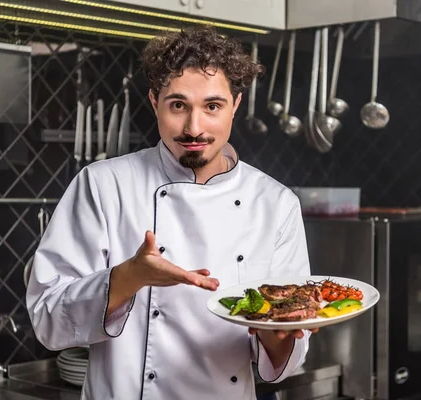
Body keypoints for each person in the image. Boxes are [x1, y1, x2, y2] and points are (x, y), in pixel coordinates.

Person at [26, 25, 314, 400]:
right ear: (153, 102)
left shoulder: (275, 203)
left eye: (212, 106)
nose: (194, 128)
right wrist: (128, 278)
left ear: (235, 106)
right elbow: (48, 320)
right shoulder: (102, 185)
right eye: (178, 105)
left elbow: (288, 357)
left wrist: (274, 334)